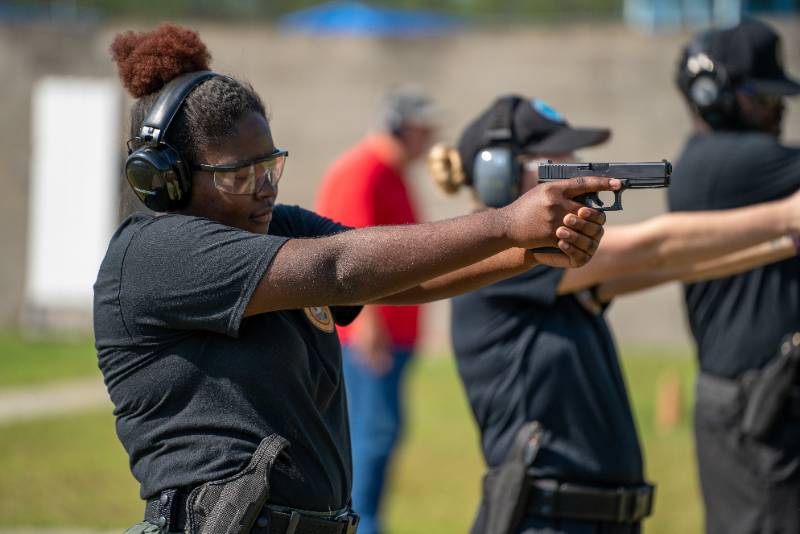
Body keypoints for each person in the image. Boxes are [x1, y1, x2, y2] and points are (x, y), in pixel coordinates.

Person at [95, 24, 618, 534]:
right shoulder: (154, 253)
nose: (263, 189)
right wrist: (506, 222)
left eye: (269, 167)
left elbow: (393, 280)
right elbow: (339, 270)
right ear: (166, 177)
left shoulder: (274, 226)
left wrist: (528, 252)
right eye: (238, 175)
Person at [427, 94, 800, 534]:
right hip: (546, 519)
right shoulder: (503, 256)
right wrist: (785, 216)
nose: (579, 164)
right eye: (558, 157)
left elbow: (671, 264)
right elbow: (655, 247)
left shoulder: (552, 267)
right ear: (501, 173)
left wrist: (784, 241)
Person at [670, 17, 800, 534]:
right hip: (756, 406)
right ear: (714, 95)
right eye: (762, 96)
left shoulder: (727, 162)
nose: (780, 108)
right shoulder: (729, 162)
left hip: (759, 400)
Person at [315, 86, 435, 534]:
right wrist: (366, 322)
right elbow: (350, 257)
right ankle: (361, 526)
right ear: (399, 126)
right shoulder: (363, 171)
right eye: (423, 129)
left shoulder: (391, 171)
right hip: (370, 338)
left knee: (381, 435)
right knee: (372, 437)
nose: (429, 140)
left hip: (392, 336)